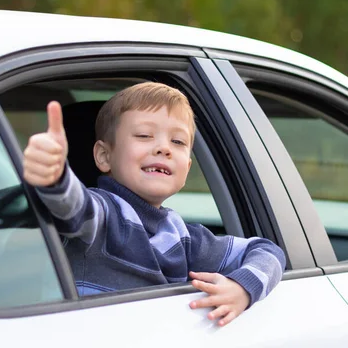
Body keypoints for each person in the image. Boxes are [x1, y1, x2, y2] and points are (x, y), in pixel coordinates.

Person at [22, 82, 286, 327]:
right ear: (104, 156)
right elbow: (74, 206)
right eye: (144, 135)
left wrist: (242, 288)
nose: (163, 148)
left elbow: (267, 250)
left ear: (187, 168)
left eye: (178, 141)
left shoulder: (182, 236)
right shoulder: (104, 213)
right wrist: (55, 177)